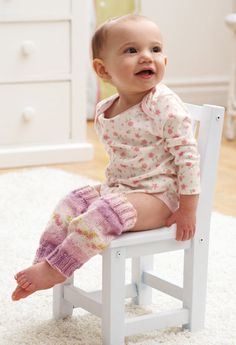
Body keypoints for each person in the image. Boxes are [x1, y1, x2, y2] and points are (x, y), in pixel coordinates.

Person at [12, 14, 200, 301]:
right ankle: (44, 259)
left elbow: (188, 158)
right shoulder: (105, 109)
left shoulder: (164, 106)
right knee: (72, 200)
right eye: (131, 50)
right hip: (124, 190)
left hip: (160, 196)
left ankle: (56, 269)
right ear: (103, 70)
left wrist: (187, 209)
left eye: (155, 49)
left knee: (104, 213)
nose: (146, 57)